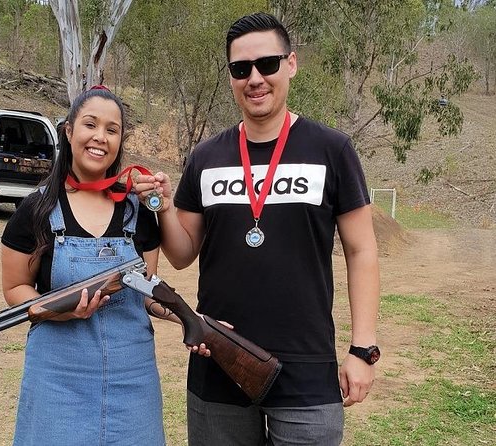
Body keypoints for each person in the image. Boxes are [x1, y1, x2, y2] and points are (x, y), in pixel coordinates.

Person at [134, 12, 380, 446]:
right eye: (240, 69)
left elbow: (361, 251)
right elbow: (181, 253)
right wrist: (165, 208)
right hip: (218, 358)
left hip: (307, 369)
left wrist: (363, 350)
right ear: (230, 76)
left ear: (291, 64)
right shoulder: (206, 157)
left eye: (267, 64)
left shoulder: (332, 149)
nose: (255, 78)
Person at [1, 86, 175, 445]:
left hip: (133, 378)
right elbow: (15, 289)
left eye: (111, 130)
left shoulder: (138, 211)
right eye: (90, 125)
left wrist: (193, 320)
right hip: (57, 378)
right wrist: (57, 312)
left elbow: (147, 290)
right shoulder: (35, 210)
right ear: (69, 131)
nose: (100, 137)